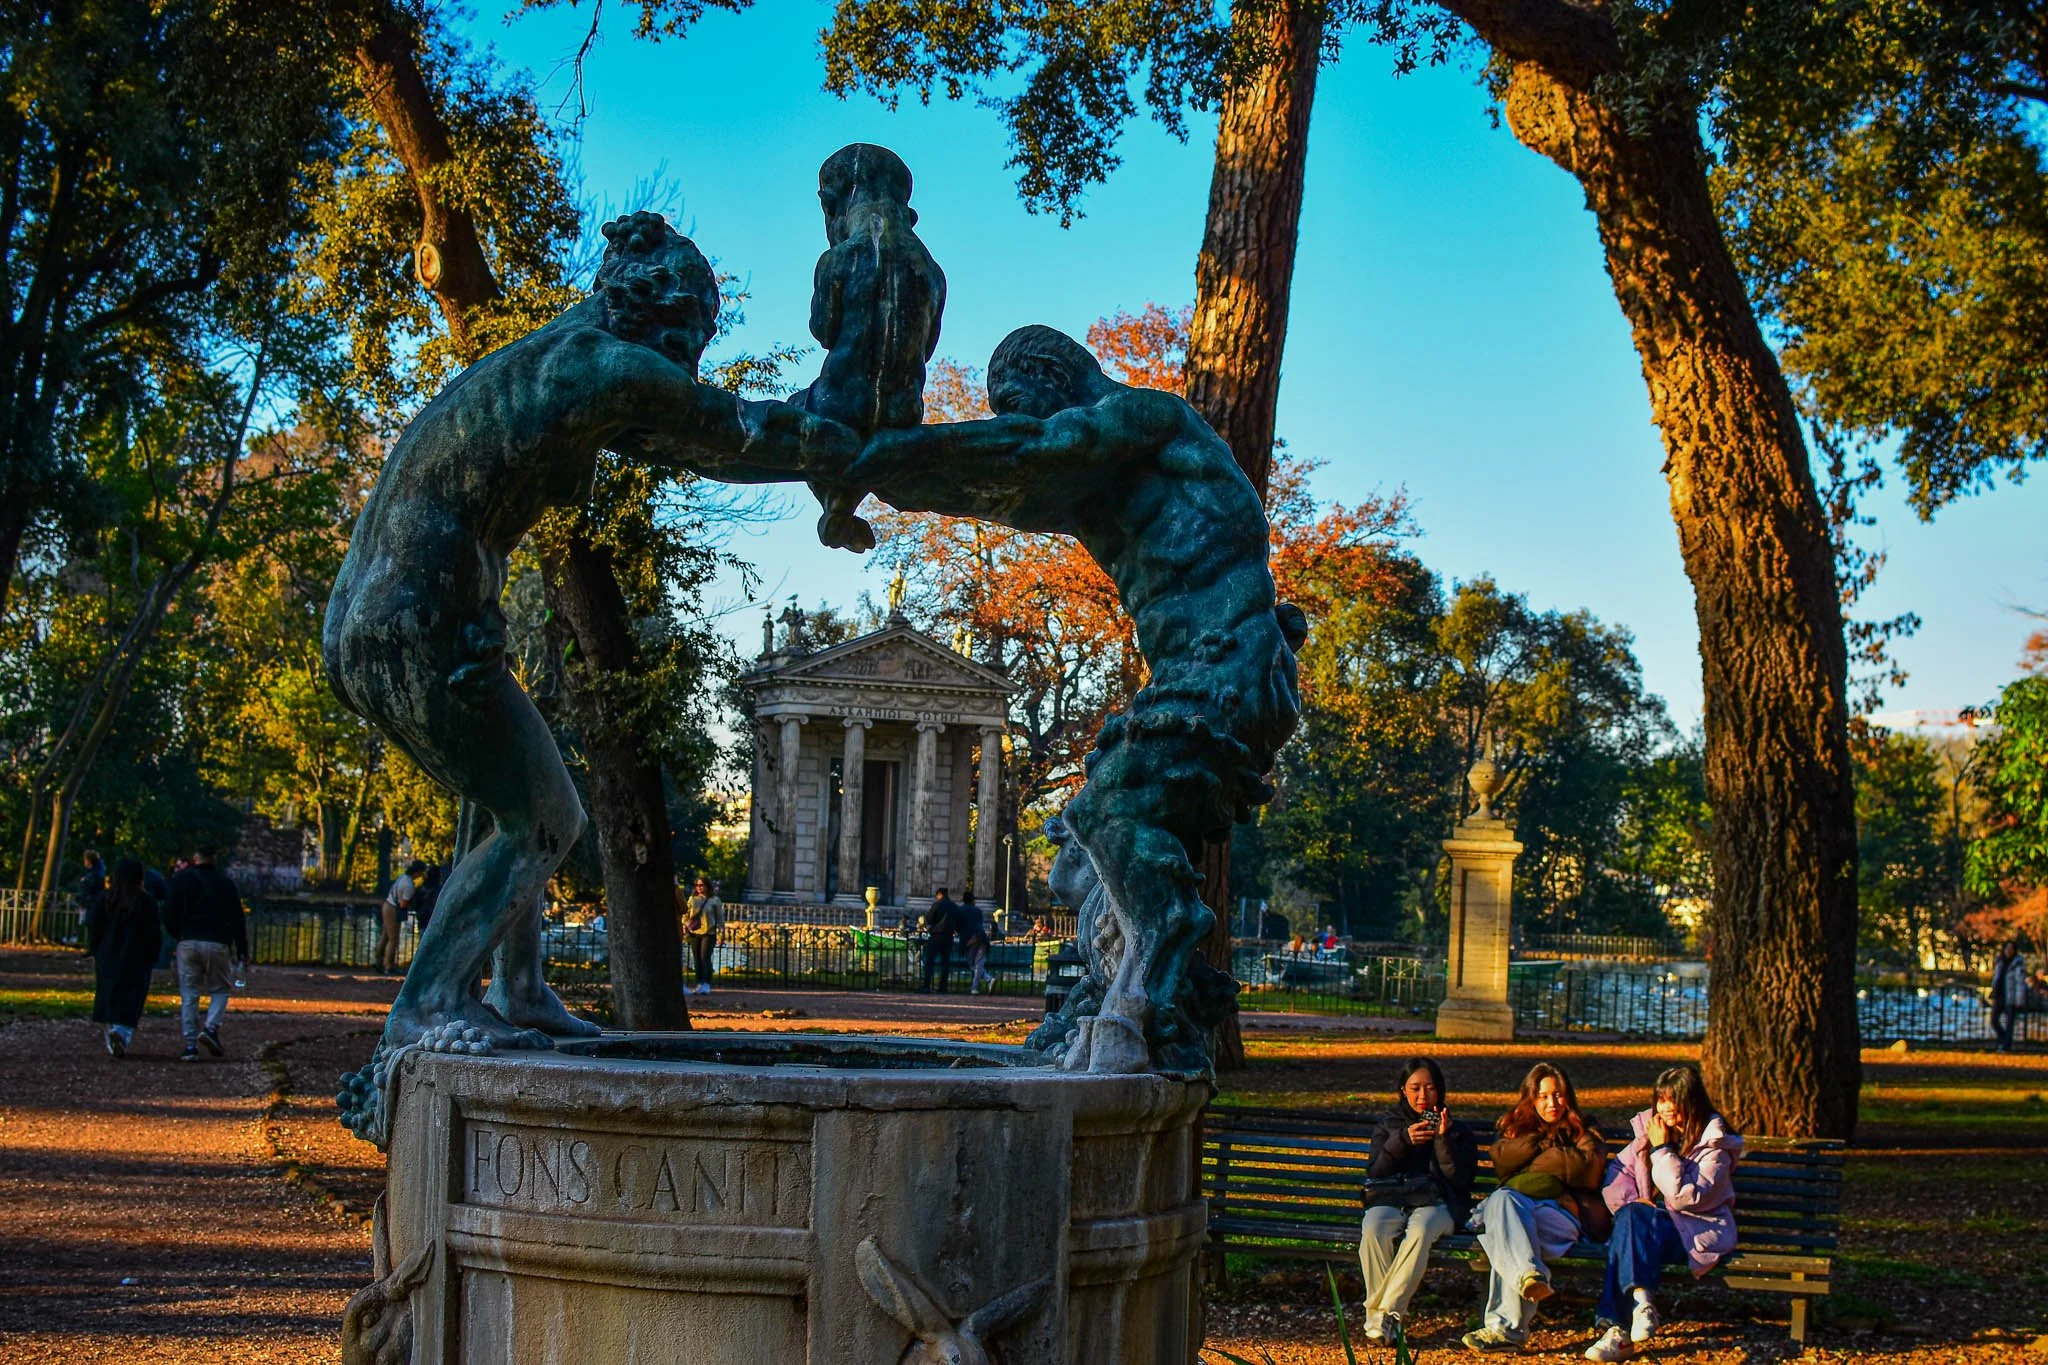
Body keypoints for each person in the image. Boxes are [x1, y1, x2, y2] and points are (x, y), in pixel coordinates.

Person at [322, 209, 857, 1056]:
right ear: (662, 309)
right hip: (421, 614)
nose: (695, 354)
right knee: (544, 817)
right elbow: (738, 436)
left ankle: (521, 987)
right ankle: (426, 1002)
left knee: (502, 792)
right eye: (696, 330)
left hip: (375, 614)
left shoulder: (544, 362)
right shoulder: (604, 366)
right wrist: (846, 437)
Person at [844, 324, 1305, 1072]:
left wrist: (874, 460)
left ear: (1055, 374)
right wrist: (881, 476)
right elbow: (1008, 485)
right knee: (1083, 858)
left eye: (1020, 404)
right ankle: (1122, 989)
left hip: (1232, 663)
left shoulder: (1145, 419)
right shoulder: (1100, 483)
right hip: (1203, 671)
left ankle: (1140, 989)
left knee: (1109, 809)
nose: (1012, 424)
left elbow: (1034, 453)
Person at [792, 143, 946, 552]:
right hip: (903, 412)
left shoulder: (839, 259)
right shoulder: (932, 273)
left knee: (798, 405)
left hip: (837, 406)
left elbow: (823, 330)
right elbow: (927, 346)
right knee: (868, 419)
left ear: (835, 204)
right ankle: (843, 504)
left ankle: (835, 505)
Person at [1583, 1064, 1742, 1361]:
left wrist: (1662, 1150)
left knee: (1629, 1229)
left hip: (1693, 1232)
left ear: (1692, 1101)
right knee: (1630, 1220)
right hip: (1648, 1228)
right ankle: (1639, 1307)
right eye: (1661, 1099)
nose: (1666, 1108)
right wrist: (1639, 1202)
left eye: (1674, 1100)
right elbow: (1616, 1179)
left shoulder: (1715, 1146)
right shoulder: (1650, 1130)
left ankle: (1617, 1325)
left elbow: (1686, 1198)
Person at [1463, 1062, 1610, 1353]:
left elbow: (1589, 1169)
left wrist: (1540, 1162)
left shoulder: (1584, 1128)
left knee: (1504, 1226)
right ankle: (1526, 1282)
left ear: (1568, 1096)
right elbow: (1503, 1160)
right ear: (1531, 1098)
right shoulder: (1516, 1128)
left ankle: (1507, 1328)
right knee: (1508, 1211)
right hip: (1523, 1219)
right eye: (1543, 1096)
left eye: (1557, 1095)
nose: (1551, 1102)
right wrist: (1548, 1152)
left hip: (1563, 1218)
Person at [1359, 1058, 1477, 1343]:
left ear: (1440, 1091)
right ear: (1403, 1089)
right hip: (1392, 1199)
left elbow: (1460, 1179)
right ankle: (1384, 1322)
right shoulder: (1389, 1125)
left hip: (1438, 1204)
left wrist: (1442, 1139)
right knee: (1373, 1227)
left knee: (1421, 1230)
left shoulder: (1457, 1129)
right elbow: (1375, 1171)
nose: (1422, 1096)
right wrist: (1401, 1141)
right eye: (1415, 1088)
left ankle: (1384, 1314)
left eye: (1430, 1088)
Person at [163, 842, 248, 1062]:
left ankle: (190, 1045)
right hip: (217, 941)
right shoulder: (225, 884)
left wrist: (179, 934)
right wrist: (242, 949)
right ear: (214, 859)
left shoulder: (180, 881)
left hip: (188, 940)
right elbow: (237, 919)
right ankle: (211, 1028)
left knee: (189, 993)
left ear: (195, 857)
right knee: (220, 988)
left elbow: (169, 913)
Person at [89, 857, 163, 1059]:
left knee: (108, 994)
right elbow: (154, 932)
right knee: (132, 997)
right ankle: (122, 1032)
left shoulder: (106, 898)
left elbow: (94, 926)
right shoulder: (146, 901)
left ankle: (113, 1034)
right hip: (136, 956)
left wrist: (93, 949)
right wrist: (154, 955)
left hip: (108, 954)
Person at [680, 876, 725, 994]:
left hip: (709, 933)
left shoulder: (714, 900)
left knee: (705, 957)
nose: (699, 888)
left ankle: (706, 983)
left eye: (701, 885)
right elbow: (685, 914)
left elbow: (720, 918)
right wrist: (686, 924)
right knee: (696, 959)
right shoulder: (692, 899)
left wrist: (721, 934)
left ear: (707, 886)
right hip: (694, 933)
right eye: (697, 885)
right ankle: (699, 982)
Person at [380, 859, 425, 975]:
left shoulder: (403, 878)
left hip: (387, 904)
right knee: (393, 939)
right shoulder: (409, 885)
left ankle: (379, 960)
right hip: (393, 909)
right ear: (417, 872)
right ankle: (388, 966)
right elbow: (403, 904)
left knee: (385, 936)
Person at [1992, 939, 2029, 1052]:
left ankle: (2006, 1045)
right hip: (1999, 995)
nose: (2009, 951)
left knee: (2010, 1023)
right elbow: (1997, 978)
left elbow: (2020, 983)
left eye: (2011, 949)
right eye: (2007, 948)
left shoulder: (2018, 964)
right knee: (1994, 1020)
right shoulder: (2000, 962)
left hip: (2011, 996)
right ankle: (2004, 1039)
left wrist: (2019, 999)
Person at [921, 887, 958, 993]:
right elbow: (958, 920)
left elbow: (928, 917)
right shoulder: (953, 906)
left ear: (939, 894)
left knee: (930, 962)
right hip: (948, 937)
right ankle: (943, 987)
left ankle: (926, 985)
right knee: (945, 964)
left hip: (936, 936)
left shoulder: (937, 904)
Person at [957, 892, 994, 994]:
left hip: (970, 938)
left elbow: (959, 925)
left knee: (972, 964)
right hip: (981, 937)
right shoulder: (978, 910)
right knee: (979, 962)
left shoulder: (960, 910)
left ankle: (982, 982)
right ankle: (979, 984)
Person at [411, 863, 443, 936]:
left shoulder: (421, 889)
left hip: (423, 920)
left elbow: (414, 904)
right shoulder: (439, 890)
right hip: (434, 921)